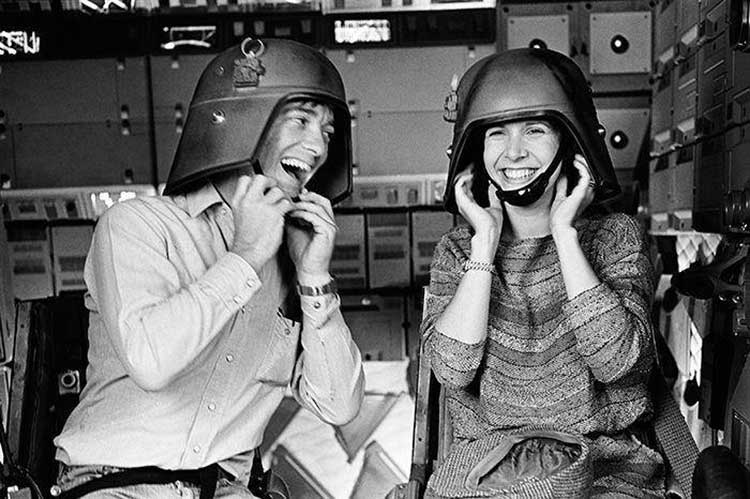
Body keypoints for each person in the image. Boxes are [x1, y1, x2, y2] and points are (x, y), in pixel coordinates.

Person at [52, 38, 365, 499]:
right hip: (117, 485)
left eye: (329, 132)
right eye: (301, 120)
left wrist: (314, 278)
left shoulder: (291, 260)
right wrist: (245, 257)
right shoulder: (138, 226)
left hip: (227, 490)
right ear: (243, 120)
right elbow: (151, 361)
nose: (318, 146)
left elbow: (340, 404)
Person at [421, 48, 665, 498]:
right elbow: (453, 371)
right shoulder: (458, 251)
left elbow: (620, 364)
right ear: (476, 152)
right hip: (489, 469)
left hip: (602, 469)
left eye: (535, 130)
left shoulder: (615, 237)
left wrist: (564, 235)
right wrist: (485, 245)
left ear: (570, 145)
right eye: (497, 134)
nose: (514, 152)